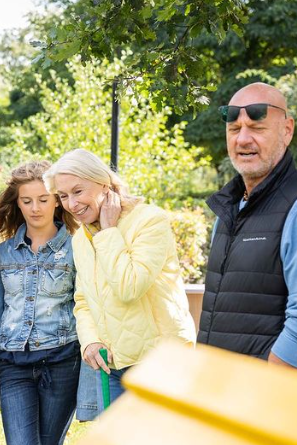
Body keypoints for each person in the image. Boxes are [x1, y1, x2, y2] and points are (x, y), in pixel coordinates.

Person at [197, 82, 297, 375]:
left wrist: (261, 390)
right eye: (234, 129)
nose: (243, 139)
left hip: (274, 407)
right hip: (220, 396)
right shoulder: (229, 208)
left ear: (287, 130)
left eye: (257, 128)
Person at [0, 161, 95, 445]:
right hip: (13, 362)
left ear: (57, 200)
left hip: (62, 360)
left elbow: (88, 308)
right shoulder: (2, 254)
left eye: (43, 199)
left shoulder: (77, 247)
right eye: (26, 201)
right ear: (17, 203)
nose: (35, 208)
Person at [44, 149, 196, 408]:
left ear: (104, 183)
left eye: (78, 191)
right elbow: (83, 299)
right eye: (63, 196)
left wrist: (108, 231)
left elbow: (129, 286)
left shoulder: (150, 221)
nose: (71, 204)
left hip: (160, 363)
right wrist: (90, 341)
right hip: (113, 365)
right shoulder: (81, 237)